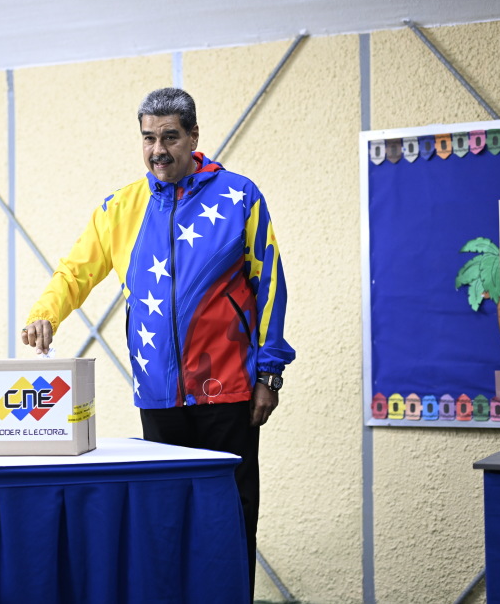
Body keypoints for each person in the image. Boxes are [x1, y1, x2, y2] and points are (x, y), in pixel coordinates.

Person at [20, 87, 295, 596]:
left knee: (230, 519)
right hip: (158, 395)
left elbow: (270, 284)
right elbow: (75, 272)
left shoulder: (239, 196)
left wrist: (269, 374)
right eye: (148, 138)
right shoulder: (120, 207)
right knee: (166, 523)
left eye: (170, 137)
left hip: (228, 390)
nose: (158, 150)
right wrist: (45, 314)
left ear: (193, 136)